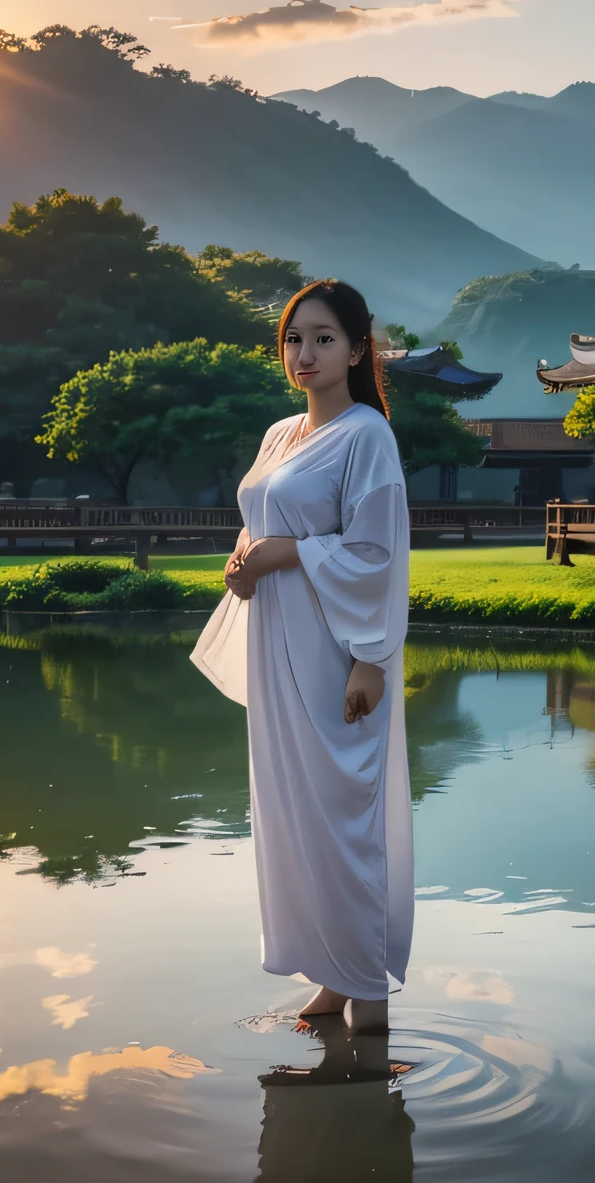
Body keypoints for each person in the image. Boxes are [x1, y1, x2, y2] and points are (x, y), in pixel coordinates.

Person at [191, 279, 413, 1033]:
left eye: (323, 338)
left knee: (345, 820)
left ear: (357, 349)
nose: (305, 352)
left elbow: (376, 551)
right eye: (294, 338)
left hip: (332, 653)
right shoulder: (281, 434)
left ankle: (370, 998)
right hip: (275, 652)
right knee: (296, 818)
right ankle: (332, 976)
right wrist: (243, 559)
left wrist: (371, 658)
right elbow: (260, 518)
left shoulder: (366, 436)